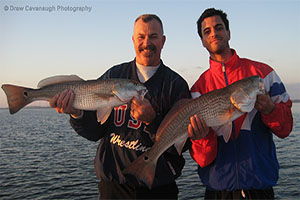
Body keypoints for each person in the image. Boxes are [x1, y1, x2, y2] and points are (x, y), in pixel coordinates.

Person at [50, 14, 191, 199]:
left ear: (163, 41)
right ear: (133, 40)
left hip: (159, 189)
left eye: (153, 37)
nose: (146, 43)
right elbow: (94, 133)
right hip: (113, 187)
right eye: (141, 37)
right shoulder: (113, 75)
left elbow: (183, 145)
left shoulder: (176, 85)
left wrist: (152, 121)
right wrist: (77, 113)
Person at [187, 8, 293, 199]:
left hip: (259, 188)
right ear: (202, 41)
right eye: (207, 31)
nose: (214, 33)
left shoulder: (263, 74)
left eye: (219, 28)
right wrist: (202, 138)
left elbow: (285, 129)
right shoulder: (197, 90)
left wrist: (270, 109)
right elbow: (203, 159)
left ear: (228, 33)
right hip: (218, 190)